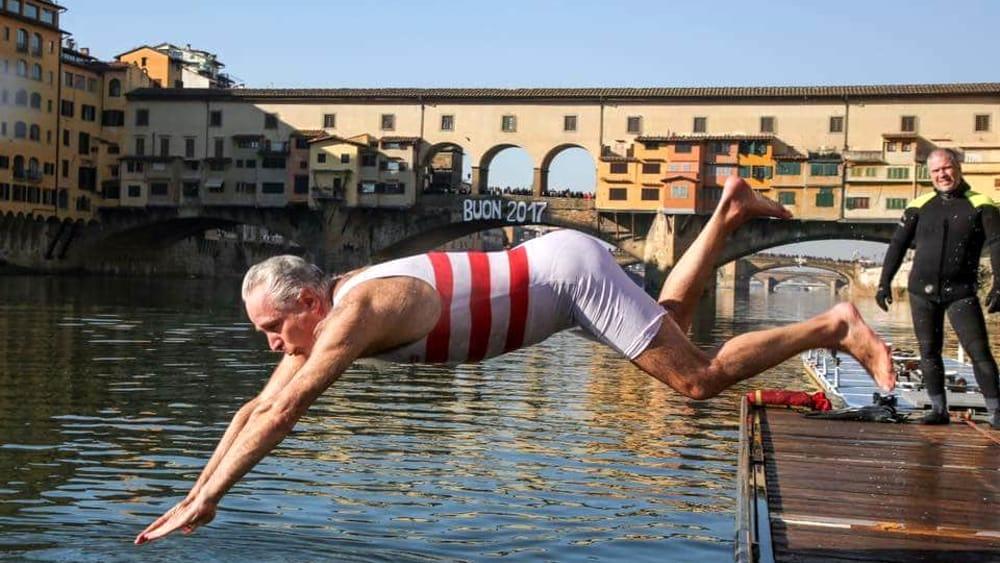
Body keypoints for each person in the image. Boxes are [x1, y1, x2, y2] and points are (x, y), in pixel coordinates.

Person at [135, 176, 894, 544]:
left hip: (567, 279)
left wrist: (212, 501)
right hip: (559, 272)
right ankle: (726, 210)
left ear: (307, 302)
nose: (273, 344)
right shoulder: (323, 312)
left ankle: (831, 325)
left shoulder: (355, 313)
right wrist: (193, 491)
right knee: (673, 323)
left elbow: (284, 408)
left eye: (274, 327)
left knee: (695, 380)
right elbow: (251, 407)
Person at [876, 148, 1000, 426]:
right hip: (921, 291)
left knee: (978, 351)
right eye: (936, 171)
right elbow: (897, 244)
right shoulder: (920, 205)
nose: (942, 175)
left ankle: (996, 412)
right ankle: (938, 410)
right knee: (928, 351)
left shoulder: (981, 203)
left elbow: (997, 243)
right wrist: (884, 282)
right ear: (929, 174)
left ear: (957, 167)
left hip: (961, 293)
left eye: (947, 168)